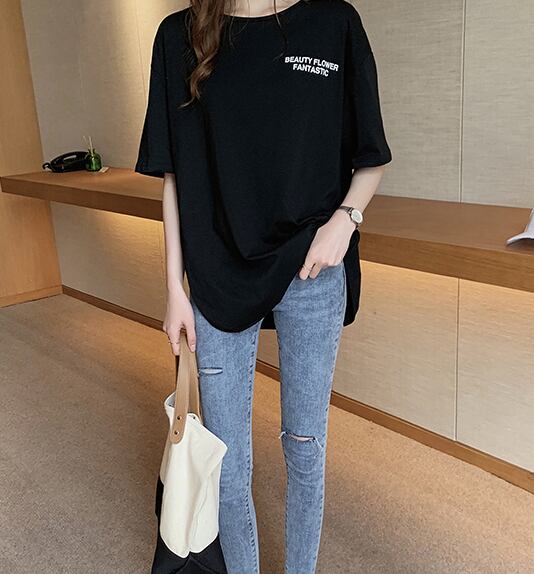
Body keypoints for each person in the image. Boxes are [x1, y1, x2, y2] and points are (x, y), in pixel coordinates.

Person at [135, 0, 392, 572]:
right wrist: (174, 287)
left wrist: (344, 222)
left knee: (305, 448)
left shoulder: (334, 22)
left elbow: (371, 154)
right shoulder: (178, 36)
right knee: (226, 464)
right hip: (217, 271)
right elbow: (174, 174)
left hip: (313, 267)